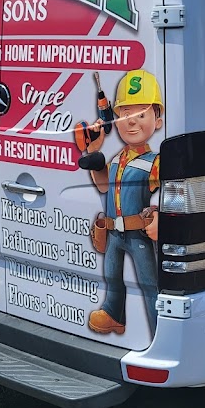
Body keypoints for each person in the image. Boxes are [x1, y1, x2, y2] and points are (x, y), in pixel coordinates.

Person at [78, 69, 163, 338]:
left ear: (158, 121)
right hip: (114, 233)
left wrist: (160, 215)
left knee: (149, 282)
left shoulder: (155, 162)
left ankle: (161, 329)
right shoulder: (117, 159)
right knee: (112, 275)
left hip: (138, 233)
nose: (132, 122)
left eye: (141, 115)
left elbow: (168, 192)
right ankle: (114, 314)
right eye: (125, 115)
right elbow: (104, 186)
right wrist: (93, 154)